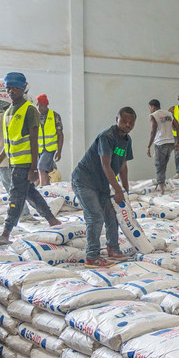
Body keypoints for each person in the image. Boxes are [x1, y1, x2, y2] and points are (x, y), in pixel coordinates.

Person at [0, 72, 61, 247]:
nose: (11, 91)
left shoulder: (29, 110)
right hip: (14, 163)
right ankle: (52, 220)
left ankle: (6, 232)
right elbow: (9, 142)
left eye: (15, 87)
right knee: (30, 194)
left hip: (25, 164)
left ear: (23, 88)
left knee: (16, 196)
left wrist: (34, 168)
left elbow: (33, 141)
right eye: (9, 88)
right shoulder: (8, 113)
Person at [72, 107, 136, 266]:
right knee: (95, 216)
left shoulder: (127, 140)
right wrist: (118, 189)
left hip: (101, 183)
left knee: (112, 214)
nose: (127, 125)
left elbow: (123, 166)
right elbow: (105, 165)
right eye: (124, 121)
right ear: (117, 119)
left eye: (131, 123)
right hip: (85, 180)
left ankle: (113, 249)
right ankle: (92, 256)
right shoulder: (107, 137)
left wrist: (125, 190)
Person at [35, 94, 64, 186]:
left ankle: (43, 190)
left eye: (42, 105)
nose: (39, 107)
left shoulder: (55, 116)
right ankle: (47, 187)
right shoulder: (34, 117)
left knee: (41, 167)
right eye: (38, 105)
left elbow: (60, 134)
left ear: (46, 105)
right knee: (44, 170)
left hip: (50, 149)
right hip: (38, 149)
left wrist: (59, 151)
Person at [147, 99, 175, 193]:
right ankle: (162, 183)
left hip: (160, 143)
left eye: (149, 107)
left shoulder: (153, 115)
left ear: (153, 107)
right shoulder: (169, 114)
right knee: (163, 165)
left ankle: (161, 187)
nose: (149, 110)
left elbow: (152, 131)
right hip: (171, 143)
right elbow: (177, 128)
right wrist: (178, 142)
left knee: (159, 165)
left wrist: (148, 146)